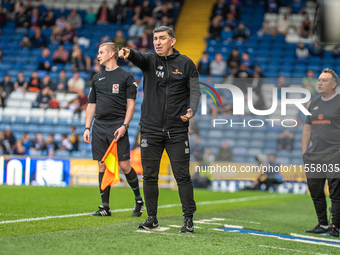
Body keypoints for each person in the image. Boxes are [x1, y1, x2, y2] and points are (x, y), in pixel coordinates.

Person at [119, 26, 201, 233]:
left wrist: (192, 110)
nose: (157, 42)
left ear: (172, 41)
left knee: (182, 176)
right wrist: (130, 53)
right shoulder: (150, 60)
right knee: (149, 176)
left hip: (177, 131)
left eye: (162, 38)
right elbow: (139, 57)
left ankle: (188, 219)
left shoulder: (187, 64)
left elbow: (195, 92)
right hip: (150, 130)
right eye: (155, 38)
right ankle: (152, 218)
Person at [83, 42, 143, 217]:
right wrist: (87, 127)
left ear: (111, 54)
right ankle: (105, 207)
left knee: (124, 165)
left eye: (101, 52)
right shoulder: (96, 78)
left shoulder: (126, 76)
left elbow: (131, 104)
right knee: (102, 165)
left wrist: (124, 125)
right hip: (99, 127)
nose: (98, 55)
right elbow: (91, 105)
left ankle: (139, 199)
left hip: (118, 126)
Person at [302, 68, 340, 237]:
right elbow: (307, 130)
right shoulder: (313, 103)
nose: (319, 83)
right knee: (316, 192)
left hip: (335, 154)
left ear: (334, 84)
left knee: (336, 193)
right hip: (314, 156)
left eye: (324, 81)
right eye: (319, 80)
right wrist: (305, 152)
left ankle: (335, 226)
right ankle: (323, 224)